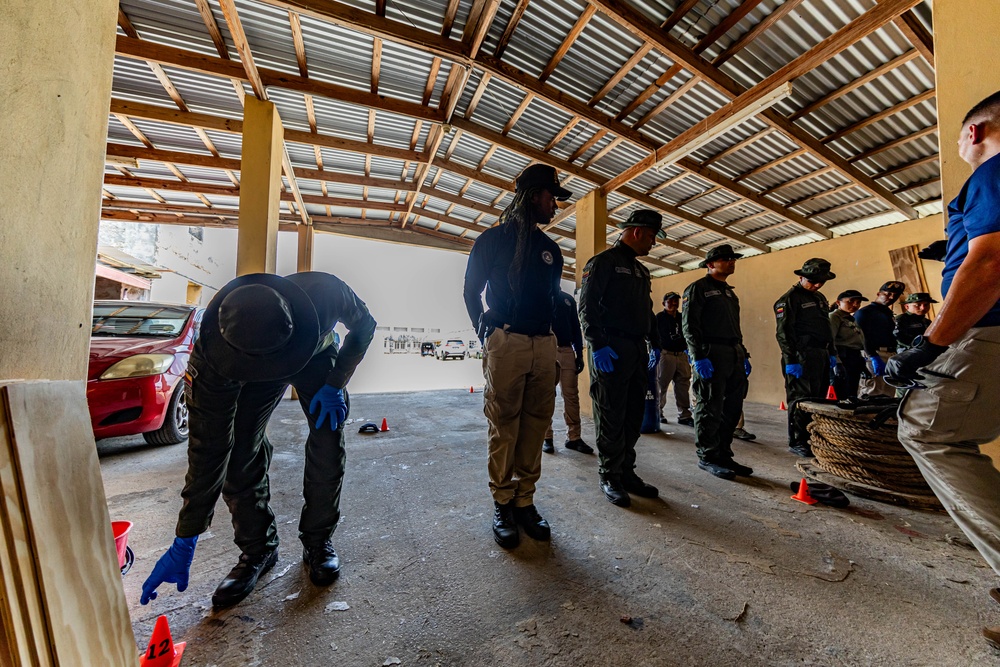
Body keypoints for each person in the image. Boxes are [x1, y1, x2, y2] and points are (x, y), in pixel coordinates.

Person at [140, 272, 376, 609]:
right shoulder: (212, 359)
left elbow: (364, 326)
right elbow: (208, 448)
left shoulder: (327, 292)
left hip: (314, 359)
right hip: (247, 374)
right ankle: (258, 549)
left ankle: (318, 540)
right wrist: (186, 534)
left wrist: (336, 381)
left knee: (327, 440)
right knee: (237, 452)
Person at [886, 91, 1000, 649]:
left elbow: (991, 262)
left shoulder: (994, 171)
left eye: (959, 137)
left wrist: (929, 345)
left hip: (992, 331)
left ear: (976, 132)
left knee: (928, 430)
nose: (959, 146)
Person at [463, 163, 567, 549]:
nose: (555, 206)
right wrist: (485, 332)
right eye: (552, 198)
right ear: (534, 195)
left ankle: (525, 500)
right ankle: (503, 501)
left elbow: (554, 301)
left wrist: (554, 344)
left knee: (536, 423)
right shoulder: (491, 241)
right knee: (504, 423)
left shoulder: (551, 251)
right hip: (506, 341)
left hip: (543, 343)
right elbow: (471, 291)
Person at [579, 209, 663, 507]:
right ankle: (609, 475)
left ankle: (626, 471)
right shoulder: (603, 262)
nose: (654, 243)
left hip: (636, 349)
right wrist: (597, 344)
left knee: (632, 415)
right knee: (611, 413)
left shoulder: (641, 270)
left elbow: (646, 308)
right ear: (637, 231)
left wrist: (654, 341)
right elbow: (586, 305)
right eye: (652, 236)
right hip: (610, 348)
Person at [682, 244, 753, 481]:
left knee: (732, 407)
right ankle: (708, 456)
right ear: (710, 264)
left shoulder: (730, 292)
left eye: (733, 259)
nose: (731, 262)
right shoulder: (697, 289)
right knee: (709, 406)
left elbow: (736, 327)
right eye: (725, 259)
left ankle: (724, 453)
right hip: (711, 352)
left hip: (732, 352)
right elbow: (689, 326)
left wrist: (742, 353)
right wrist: (698, 356)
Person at [774, 259, 840, 457]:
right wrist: (790, 359)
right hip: (800, 356)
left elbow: (825, 328)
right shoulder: (789, 299)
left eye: (821, 281)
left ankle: (813, 437)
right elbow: (783, 333)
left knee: (818, 399)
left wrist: (832, 353)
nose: (818, 285)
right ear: (801, 277)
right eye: (813, 281)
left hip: (820, 353)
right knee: (800, 400)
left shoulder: (819, 297)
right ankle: (797, 440)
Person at [544, 289, 593, 455]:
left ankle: (574, 438)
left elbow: (575, 327)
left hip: (566, 351)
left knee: (571, 395)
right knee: (546, 395)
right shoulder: (538, 294)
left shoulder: (568, 300)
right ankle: (547, 437)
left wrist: (579, 354)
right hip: (546, 349)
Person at [854, 280, 905, 398]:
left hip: (890, 354)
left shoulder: (887, 313)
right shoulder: (865, 313)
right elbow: (861, 337)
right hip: (874, 354)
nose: (891, 297)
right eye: (887, 294)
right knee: (872, 391)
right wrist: (872, 356)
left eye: (895, 295)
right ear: (878, 294)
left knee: (888, 392)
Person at [654, 291, 693, 427]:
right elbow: (652, 335)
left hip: (681, 355)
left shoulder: (683, 317)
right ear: (663, 303)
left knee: (683, 385)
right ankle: (657, 413)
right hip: (666, 355)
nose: (673, 304)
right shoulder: (659, 318)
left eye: (676, 301)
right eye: (670, 301)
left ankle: (684, 415)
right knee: (661, 385)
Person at [829, 289, 868, 400]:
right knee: (841, 393)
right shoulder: (834, 317)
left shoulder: (851, 318)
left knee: (852, 393)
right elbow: (830, 340)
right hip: (842, 357)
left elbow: (857, 342)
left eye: (858, 302)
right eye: (851, 301)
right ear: (838, 303)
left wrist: (861, 364)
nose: (855, 304)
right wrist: (837, 363)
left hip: (854, 357)